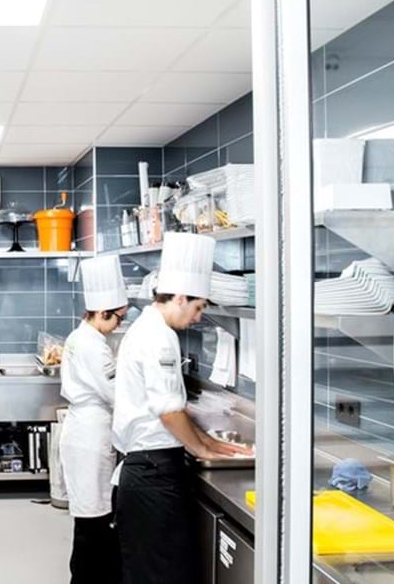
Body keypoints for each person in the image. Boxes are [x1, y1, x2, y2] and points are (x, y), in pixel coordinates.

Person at [112, 233, 251, 583]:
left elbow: (172, 410)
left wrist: (211, 443)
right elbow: (169, 412)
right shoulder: (159, 336)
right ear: (178, 297)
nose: (199, 317)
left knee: (151, 572)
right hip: (153, 474)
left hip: (146, 471)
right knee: (161, 575)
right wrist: (203, 448)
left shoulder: (148, 328)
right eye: (198, 307)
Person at [60, 255, 128, 584]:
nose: (119, 325)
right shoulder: (94, 347)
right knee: (94, 520)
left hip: (80, 432)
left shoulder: (79, 336)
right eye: (118, 318)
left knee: (87, 516)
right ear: (102, 313)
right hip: (90, 436)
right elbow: (116, 394)